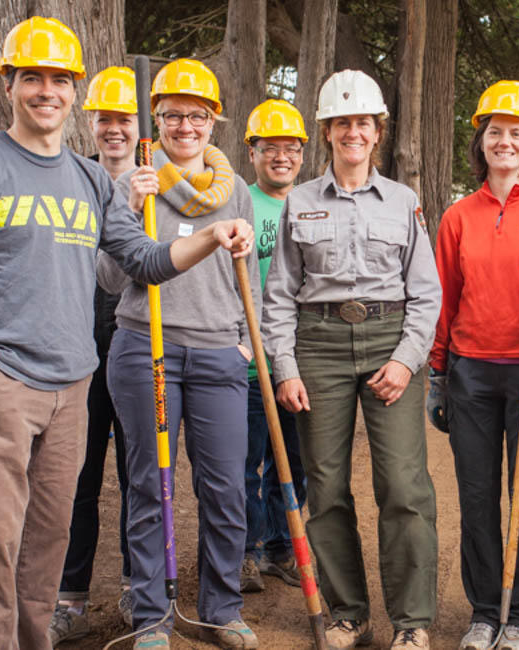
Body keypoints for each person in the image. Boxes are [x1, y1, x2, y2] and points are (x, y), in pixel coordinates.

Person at [0, 17, 252, 650]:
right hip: (1, 388)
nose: (47, 91)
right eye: (31, 78)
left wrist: (212, 234)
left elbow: (144, 263)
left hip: (73, 386)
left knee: (46, 545)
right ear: (8, 83)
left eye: (59, 80)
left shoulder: (90, 179)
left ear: (74, 89)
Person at [262, 69, 440, 650]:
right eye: (342, 123)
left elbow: (426, 291)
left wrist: (409, 360)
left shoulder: (404, 201)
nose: (352, 132)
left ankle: (412, 622)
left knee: (404, 484)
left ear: (377, 131)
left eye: (362, 122)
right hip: (319, 346)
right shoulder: (302, 202)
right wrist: (285, 368)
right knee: (328, 483)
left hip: (390, 342)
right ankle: (349, 613)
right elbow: (280, 293)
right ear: (327, 132)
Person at [96, 57, 261, 650]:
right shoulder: (132, 181)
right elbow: (112, 280)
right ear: (157, 119)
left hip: (219, 353)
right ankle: (152, 617)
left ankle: (221, 608)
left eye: (197, 115)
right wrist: (130, 202)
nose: (185, 126)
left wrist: (247, 339)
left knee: (224, 488)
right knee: (150, 484)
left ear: (214, 121)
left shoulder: (236, 188)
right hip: (147, 349)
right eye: (172, 115)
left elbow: (251, 279)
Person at [427, 80, 519, 650]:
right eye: (496, 132)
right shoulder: (459, 216)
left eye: (517, 133)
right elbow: (445, 296)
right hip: (471, 374)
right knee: (478, 496)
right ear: (481, 142)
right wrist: (439, 373)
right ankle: (486, 610)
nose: (505, 142)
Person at [48, 64, 139, 646]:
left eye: (124, 120)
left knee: (138, 469)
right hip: (78, 334)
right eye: (105, 118)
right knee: (76, 473)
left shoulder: (162, 184)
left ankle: (138, 587)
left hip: (135, 335)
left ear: (139, 126)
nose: (113, 129)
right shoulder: (74, 177)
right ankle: (69, 598)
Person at [239, 98, 310, 593]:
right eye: (270, 148)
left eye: (290, 149)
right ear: (252, 153)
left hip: (299, 362)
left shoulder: (310, 205)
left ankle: (282, 546)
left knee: (298, 460)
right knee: (245, 463)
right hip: (244, 363)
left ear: (303, 154)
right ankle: (247, 550)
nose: (280, 157)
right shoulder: (237, 201)